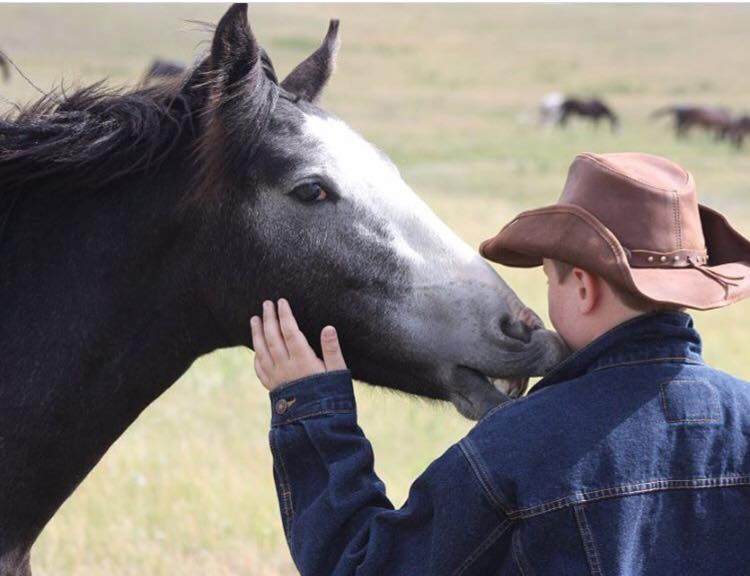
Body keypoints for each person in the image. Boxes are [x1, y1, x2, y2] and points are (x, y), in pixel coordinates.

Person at [250, 152, 750, 575]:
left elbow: (364, 565)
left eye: (550, 279)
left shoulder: (518, 446)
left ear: (583, 285)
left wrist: (312, 414)